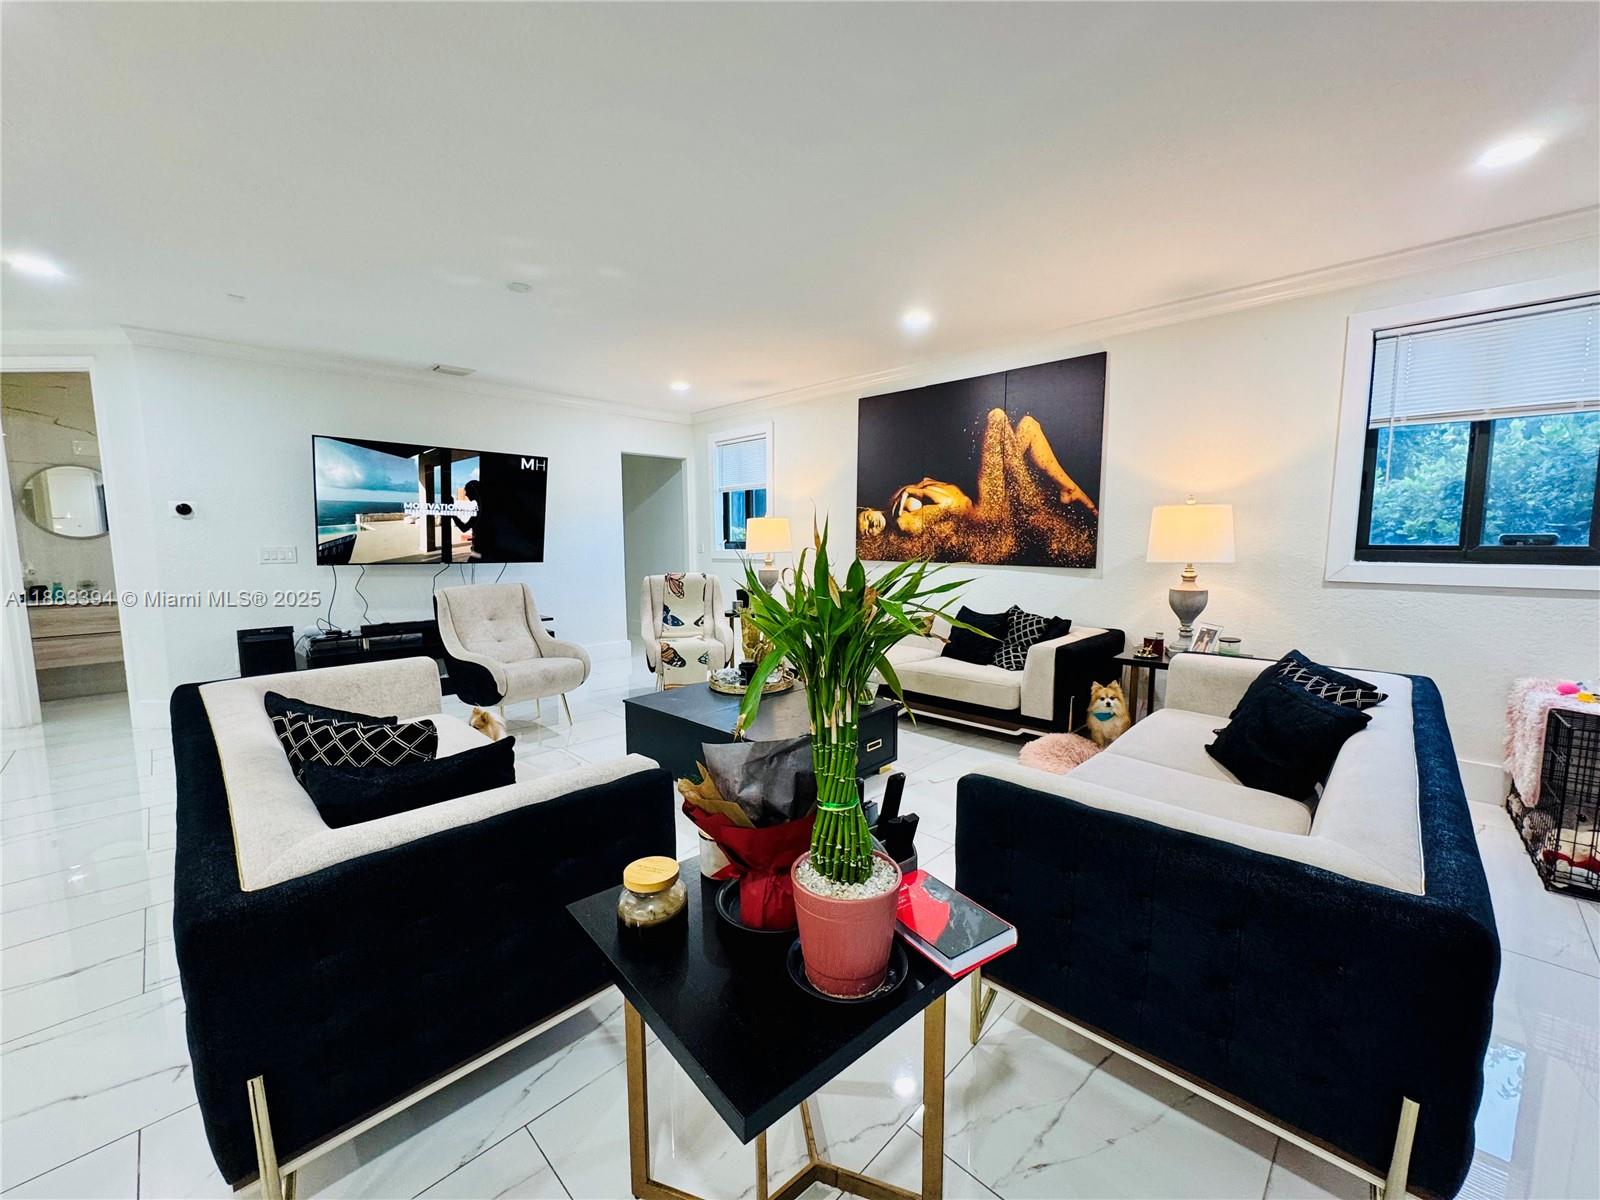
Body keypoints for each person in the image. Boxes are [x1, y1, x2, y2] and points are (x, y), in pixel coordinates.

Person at [858, 407, 1096, 537]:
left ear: (870, 510)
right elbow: (952, 507)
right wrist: (913, 496)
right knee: (997, 418)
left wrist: (912, 492)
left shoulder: (901, 498)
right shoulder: (904, 523)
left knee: (1029, 426)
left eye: (866, 520)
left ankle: (1068, 488)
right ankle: (1054, 493)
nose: (871, 527)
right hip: (988, 514)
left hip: (993, 499)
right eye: (867, 532)